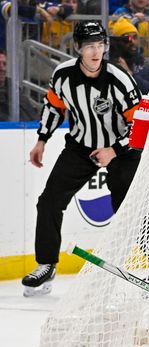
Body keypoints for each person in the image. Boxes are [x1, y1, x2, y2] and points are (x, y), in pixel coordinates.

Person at [24, 21, 142, 296]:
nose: (95, 52)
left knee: (129, 209)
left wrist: (114, 150)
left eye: (100, 45)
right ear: (78, 48)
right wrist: (42, 139)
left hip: (120, 150)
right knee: (49, 202)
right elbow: (54, 107)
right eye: (89, 46)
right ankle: (46, 264)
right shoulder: (63, 75)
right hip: (81, 148)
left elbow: (140, 124)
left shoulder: (119, 79)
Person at [108, 18, 149, 98]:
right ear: (117, 41)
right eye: (127, 39)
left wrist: (130, 74)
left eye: (135, 37)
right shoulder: (107, 65)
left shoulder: (148, 66)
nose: (132, 42)